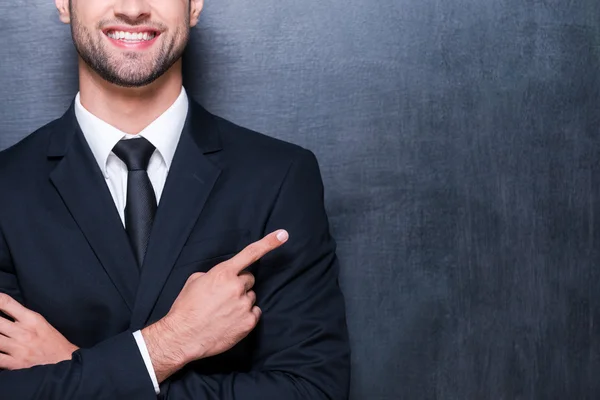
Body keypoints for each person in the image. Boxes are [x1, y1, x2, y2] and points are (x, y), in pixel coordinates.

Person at [0, 0, 350, 398]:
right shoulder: (5, 188)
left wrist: (72, 367)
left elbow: (312, 391)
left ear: (194, 5)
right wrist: (167, 344)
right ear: (64, 3)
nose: (133, 9)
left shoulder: (280, 177)